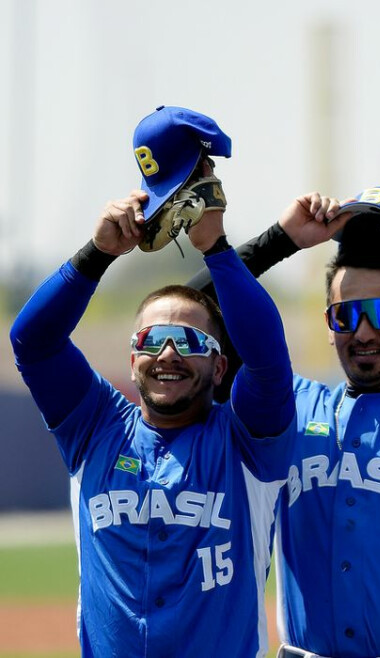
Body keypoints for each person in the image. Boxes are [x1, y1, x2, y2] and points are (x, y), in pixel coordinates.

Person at [8, 107, 296, 657]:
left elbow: (268, 362)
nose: (167, 353)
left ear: (220, 367)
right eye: (152, 339)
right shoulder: (95, 428)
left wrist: (216, 247)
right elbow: (33, 341)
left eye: (189, 341)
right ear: (131, 356)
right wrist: (97, 254)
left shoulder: (249, 443)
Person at [185, 187, 380, 657]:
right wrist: (280, 240)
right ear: (328, 324)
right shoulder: (288, 407)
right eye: (345, 315)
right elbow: (185, 314)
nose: (364, 332)